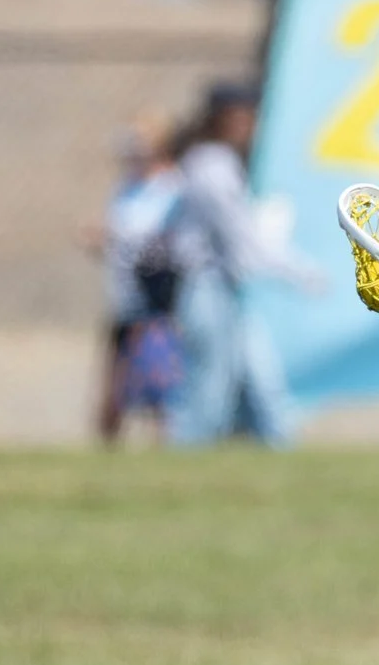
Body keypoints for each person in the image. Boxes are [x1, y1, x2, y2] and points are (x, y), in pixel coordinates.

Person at [169, 83, 307, 447]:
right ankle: (188, 452)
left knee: (244, 375)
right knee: (210, 382)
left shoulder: (217, 163)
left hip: (224, 286)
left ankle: (268, 442)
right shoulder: (211, 167)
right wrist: (301, 274)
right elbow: (241, 240)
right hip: (207, 285)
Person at [83, 114, 194, 444]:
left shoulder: (174, 188)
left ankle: (167, 453)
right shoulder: (125, 188)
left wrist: (120, 238)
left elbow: (169, 243)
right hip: (124, 298)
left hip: (159, 303)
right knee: (112, 390)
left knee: (161, 389)